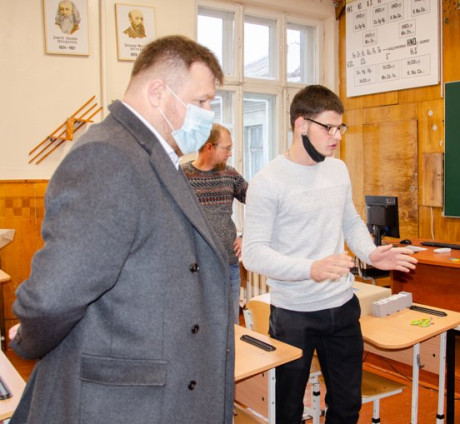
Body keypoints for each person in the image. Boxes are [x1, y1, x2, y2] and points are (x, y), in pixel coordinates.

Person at [9, 35, 235, 424]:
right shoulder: (108, 155)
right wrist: (28, 339)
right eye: (201, 101)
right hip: (127, 400)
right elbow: (54, 295)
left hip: (158, 387)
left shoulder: (150, 154)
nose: (207, 114)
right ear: (158, 92)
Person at [242, 84, 418, 424]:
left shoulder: (337, 170)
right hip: (294, 314)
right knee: (288, 410)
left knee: (348, 405)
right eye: (329, 128)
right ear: (301, 125)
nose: (337, 136)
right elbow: (253, 254)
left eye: (340, 127)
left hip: (342, 306)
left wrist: (371, 254)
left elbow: (349, 221)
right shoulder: (268, 181)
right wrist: (311, 268)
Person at [182, 123, 248, 322]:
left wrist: (247, 235)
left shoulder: (230, 175)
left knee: (231, 325)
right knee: (200, 325)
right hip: (195, 268)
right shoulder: (182, 176)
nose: (230, 153)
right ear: (209, 147)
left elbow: (261, 204)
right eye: (226, 148)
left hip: (229, 265)